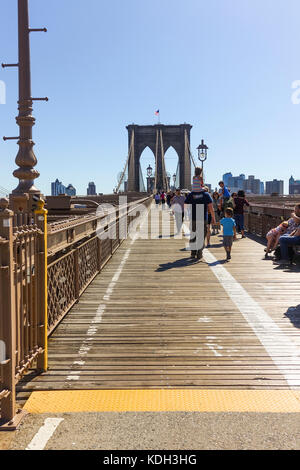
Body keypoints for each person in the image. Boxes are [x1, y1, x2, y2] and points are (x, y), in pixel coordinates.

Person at [184, 187, 216, 259]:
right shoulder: (206, 194)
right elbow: (211, 207)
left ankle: (193, 253)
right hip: (202, 218)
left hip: (193, 218)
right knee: (201, 236)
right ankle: (199, 253)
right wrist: (213, 218)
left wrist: (187, 215)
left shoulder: (191, 194)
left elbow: (185, 205)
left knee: (193, 236)